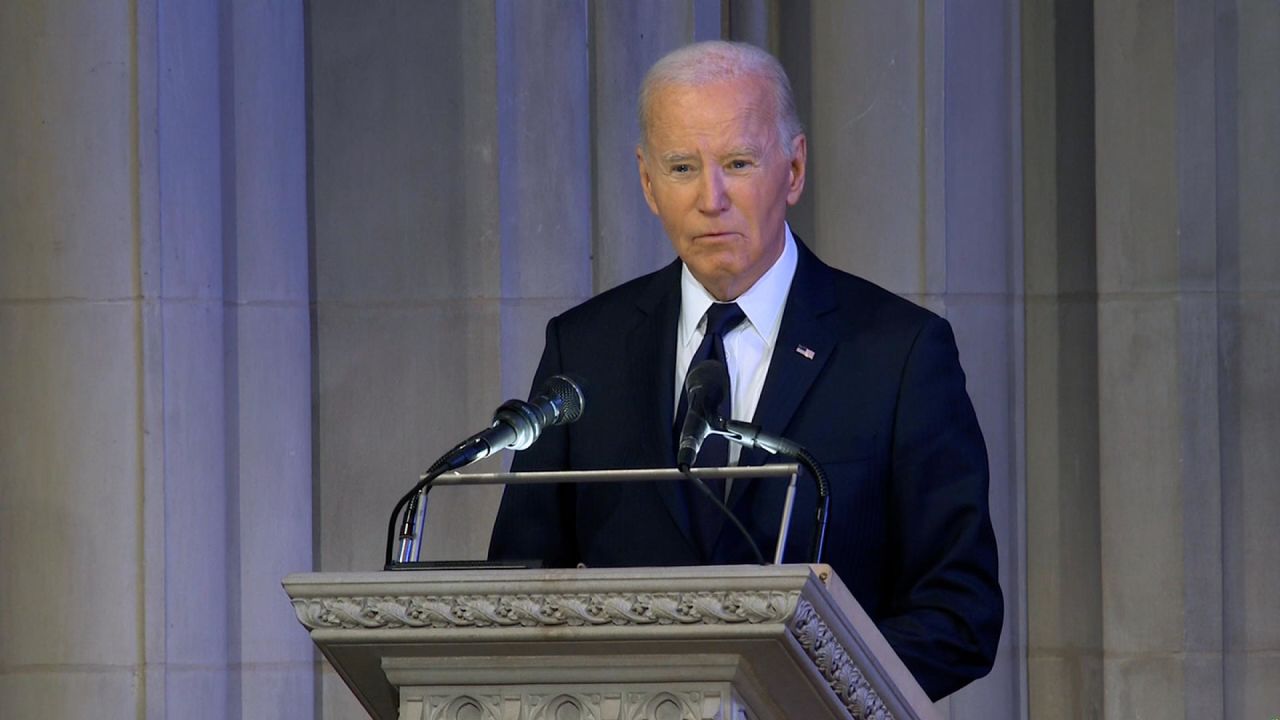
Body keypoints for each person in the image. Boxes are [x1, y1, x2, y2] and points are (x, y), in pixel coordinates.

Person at [488, 40, 1002, 700]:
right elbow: (517, 582)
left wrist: (789, 689)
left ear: (792, 169)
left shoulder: (898, 353)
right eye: (681, 167)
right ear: (647, 183)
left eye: (737, 162)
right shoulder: (584, 348)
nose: (711, 197)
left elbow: (960, 613)